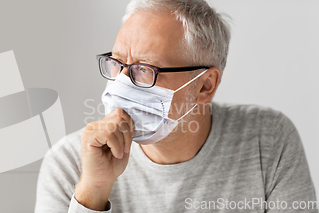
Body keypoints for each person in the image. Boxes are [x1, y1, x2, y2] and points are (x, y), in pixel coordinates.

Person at [35, 0, 317, 212]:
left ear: (205, 85)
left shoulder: (267, 141)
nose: (121, 83)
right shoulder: (70, 164)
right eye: (117, 63)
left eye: (144, 69)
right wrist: (93, 191)